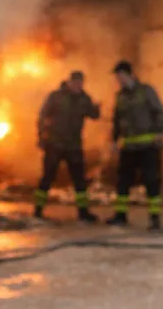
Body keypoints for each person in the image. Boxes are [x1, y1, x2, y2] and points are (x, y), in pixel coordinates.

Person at [106, 60, 163, 231]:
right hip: (128, 147)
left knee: (151, 181)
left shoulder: (146, 91)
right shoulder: (120, 96)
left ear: (129, 75)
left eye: (120, 76)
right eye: (117, 77)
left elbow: (159, 112)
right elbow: (116, 120)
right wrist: (114, 140)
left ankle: (155, 219)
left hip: (148, 146)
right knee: (123, 182)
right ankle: (120, 215)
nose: (119, 80)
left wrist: (159, 131)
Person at [34, 71, 101, 223]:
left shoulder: (84, 99)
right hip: (54, 144)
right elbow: (43, 116)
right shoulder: (56, 96)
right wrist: (41, 137)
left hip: (74, 146)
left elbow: (94, 116)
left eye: (80, 83)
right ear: (69, 82)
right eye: (75, 82)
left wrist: (97, 109)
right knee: (47, 177)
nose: (78, 86)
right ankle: (38, 210)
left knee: (79, 180)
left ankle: (83, 212)